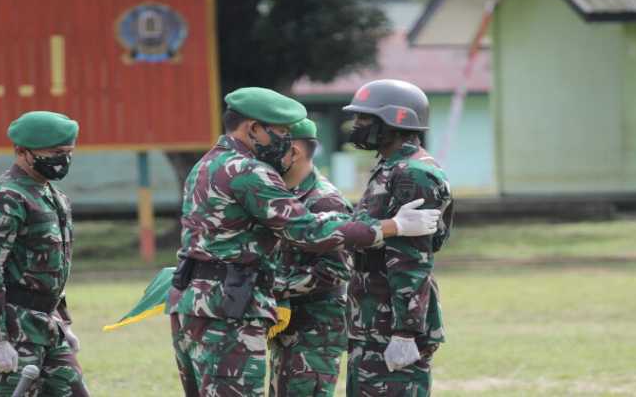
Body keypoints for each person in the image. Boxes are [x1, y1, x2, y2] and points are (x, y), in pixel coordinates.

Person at [168, 87, 441, 397]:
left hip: (196, 305)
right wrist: (392, 226)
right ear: (254, 129)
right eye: (280, 131)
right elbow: (306, 230)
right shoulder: (249, 171)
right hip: (228, 312)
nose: (286, 140)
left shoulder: (207, 164)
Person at [342, 79, 454, 396]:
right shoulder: (391, 167)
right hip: (371, 315)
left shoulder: (413, 173)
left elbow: (411, 259)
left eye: (365, 118)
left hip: (391, 321)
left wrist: (405, 331)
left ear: (395, 120)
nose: (357, 125)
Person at [0, 111, 89, 396]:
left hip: (46, 327)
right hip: (11, 330)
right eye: (55, 152)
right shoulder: (5, 198)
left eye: (68, 152)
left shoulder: (53, 196)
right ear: (22, 152)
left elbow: (48, 269)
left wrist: (62, 321)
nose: (63, 159)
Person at [268, 118, 352, 396]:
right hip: (291, 326)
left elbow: (337, 269)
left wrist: (272, 286)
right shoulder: (286, 196)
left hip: (315, 332)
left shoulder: (324, 201)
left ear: (294, 151)